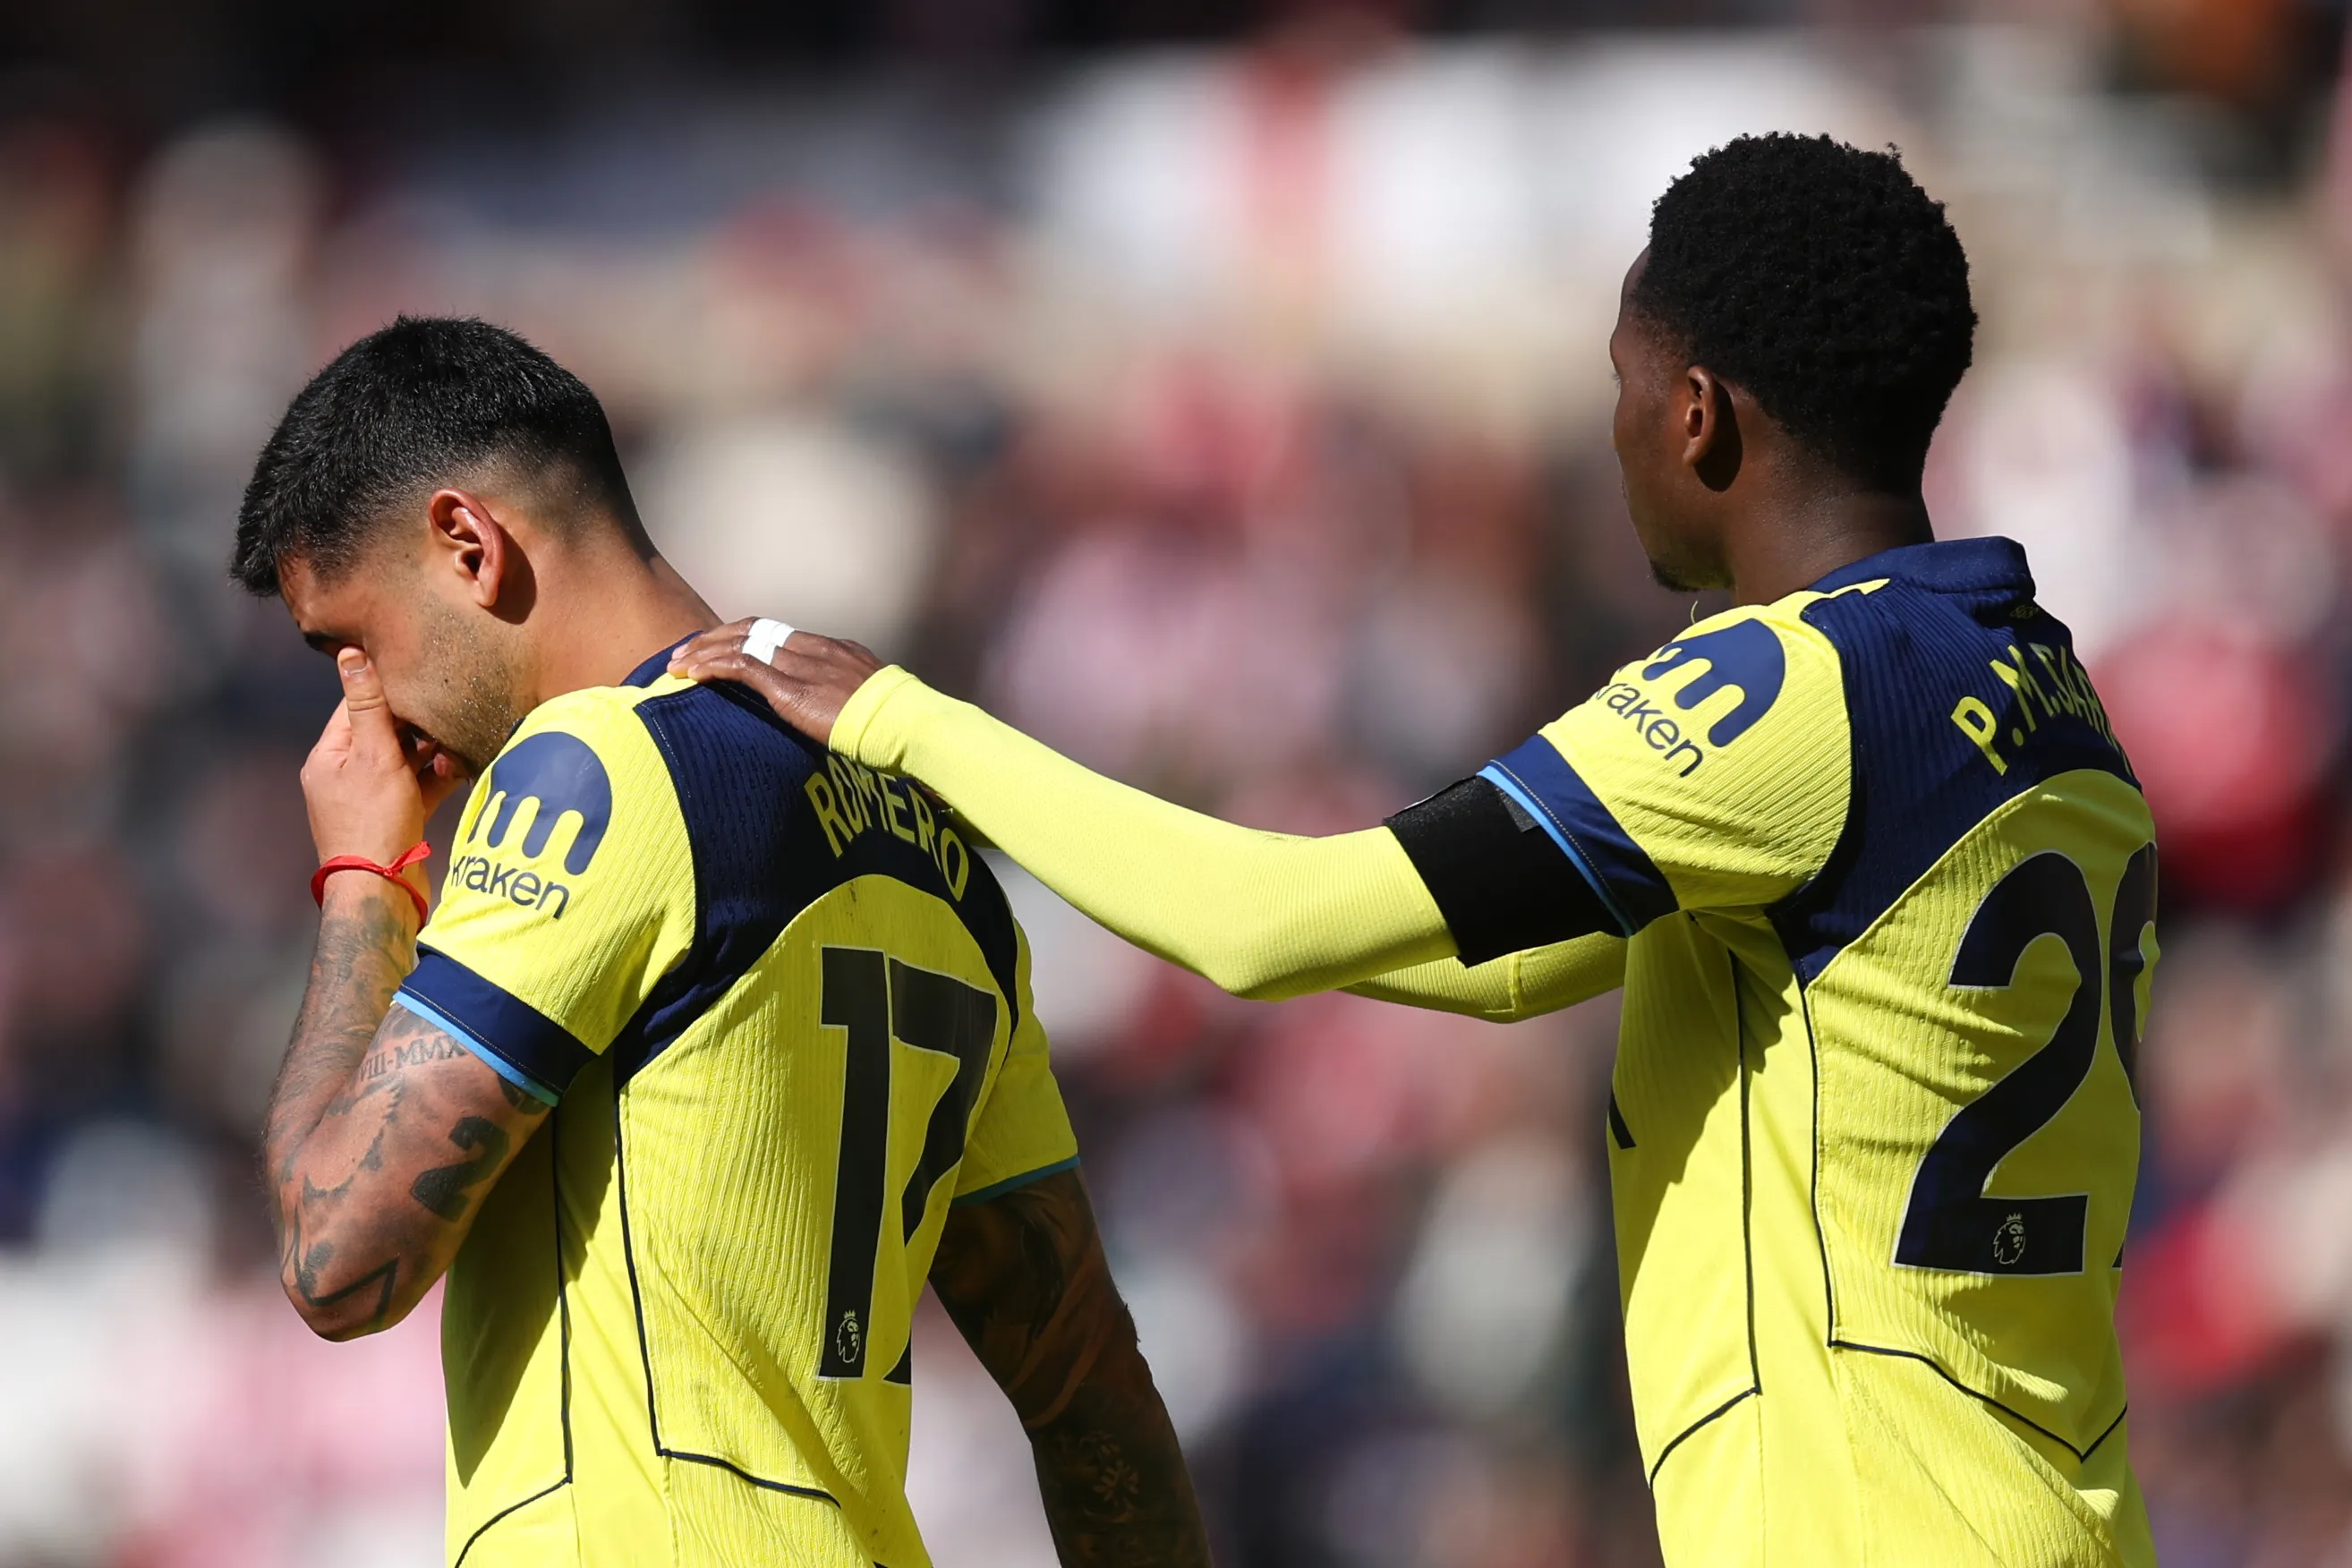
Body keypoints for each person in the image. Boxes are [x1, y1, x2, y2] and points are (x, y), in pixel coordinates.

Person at [671, 134, 2160, 1567]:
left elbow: (1270, 925)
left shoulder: (1788, 693)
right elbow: (1501, 961)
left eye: (1623, 387)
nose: (1618, 429)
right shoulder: (2052, 697)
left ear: (1699, 413)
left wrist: (903, 722)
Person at [232, 316, 1208, 1568]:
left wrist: (365, 877)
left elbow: (336, 1257)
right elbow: (1092, 1391)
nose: (359, 710)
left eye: (352, 648)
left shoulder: (591, 772)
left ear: (468, 545)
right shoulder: (941, 854)